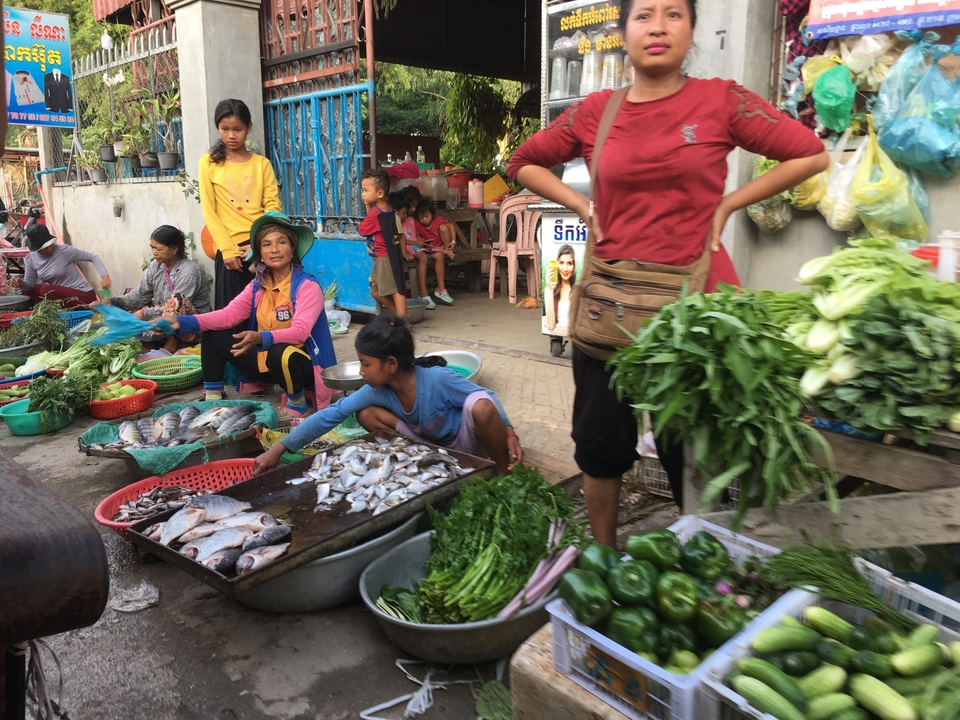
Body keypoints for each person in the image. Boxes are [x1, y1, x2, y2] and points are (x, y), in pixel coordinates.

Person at [507, 0, 828, 548]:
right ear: (624, 31)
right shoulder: (596, 111)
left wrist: (728, 206)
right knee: (601, 444)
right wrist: (582, 206)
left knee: (695, 451)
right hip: (613, 306)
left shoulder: (721, 100)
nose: (658, 26)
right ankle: (607, 557)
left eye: (673, 14)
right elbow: (523, 163)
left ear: (692, 29)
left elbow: (809, 154)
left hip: (697, 312)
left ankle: (701, 559)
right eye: (644, 14)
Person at [252, 316, 523, 476]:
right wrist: (280, 448)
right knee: (365, 414)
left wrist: (509, 432)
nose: (361, 371)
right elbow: (330, 416)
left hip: (462, 438)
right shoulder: (374, 391)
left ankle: (500, 472)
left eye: (365, 364)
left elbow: (485, 395)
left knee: (483, 407)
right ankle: (422, 462)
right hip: (426, 443)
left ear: (391, 364)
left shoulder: (436, 379)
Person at [157, 211, 336, 416]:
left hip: (302, 366)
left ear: (292, 247)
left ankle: (297, 403)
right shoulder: (257, 286)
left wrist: (261, 337)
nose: (275, 249)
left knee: (281, 351)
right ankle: (213, 399)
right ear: (259, 252)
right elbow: (228, 315)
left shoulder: (307, 286)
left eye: (281, 242)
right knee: (213, 332)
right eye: (267, 244)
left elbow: (300, 332)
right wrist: (181, 322)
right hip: (268, 364)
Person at [198, 98, 282, 310]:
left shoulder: (261, 164)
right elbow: (209, 210)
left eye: (238, 129)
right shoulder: (208, 163)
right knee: (231, 318)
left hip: (260, 247)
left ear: (249, 128)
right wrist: (227, 250)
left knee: (265, 313)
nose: (231, 135)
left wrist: (258, 244)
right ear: (217, 127)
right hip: (229, 252)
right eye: (224, 129)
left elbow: (273, 206)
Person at [106, 225, 211, 352]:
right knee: (130, 293)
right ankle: (149, 343)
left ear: (174, 249)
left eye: (159, 249)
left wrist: (144, 313)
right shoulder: (155, 266)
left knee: (177, 300)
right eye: (152, 248)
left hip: (191, 328)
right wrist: (112, 302)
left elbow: (177, 306)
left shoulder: (189, 272)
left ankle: (170, 344)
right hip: (164, 314)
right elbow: (139, 296)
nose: (154, 252)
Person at [21, 224, 112, 307]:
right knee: (26, 291)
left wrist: (105, 276)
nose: (49, 249)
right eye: (44, 248)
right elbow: (29, 285)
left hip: (83, 294)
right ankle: (52, 308)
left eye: (50, 245)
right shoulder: (31, 258)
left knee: (46, 290)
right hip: (60, 295)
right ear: (37, 248)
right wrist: (20, 283)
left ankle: (83, 308)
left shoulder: (64, 251)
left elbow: (92, 257)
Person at [360, 168, 408, 319]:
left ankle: (404, 321)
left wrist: (369, 206)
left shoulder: (376, 213)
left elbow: (363, 229)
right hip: (384, 256)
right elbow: (372, 222)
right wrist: (368, 203)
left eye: (366, 190)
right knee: (375, 291)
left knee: (395, 290)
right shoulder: (387, 209)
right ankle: (400, 316)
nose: (363, 194)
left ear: (380, 193)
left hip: (383, 257)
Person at [413, 200, 456, 309]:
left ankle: (440, 288)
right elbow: (418, 239)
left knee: (440, 255)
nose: (424, 220)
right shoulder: (417, 224)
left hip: (439, 248)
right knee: (439, 254)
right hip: (427, 248)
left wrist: (453, 242)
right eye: (421, 217)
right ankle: (445, 252)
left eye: (427, 216)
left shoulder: (437, 220)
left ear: (432, 214)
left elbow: (451, 227)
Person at [545, 244, 576, 335]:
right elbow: (551, 326)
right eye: (561, 263)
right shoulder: (549, 290)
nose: (565, 269)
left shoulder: (577, 291)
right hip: (558, 336)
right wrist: (551, 289)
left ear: (574, 265)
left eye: (569, 263)